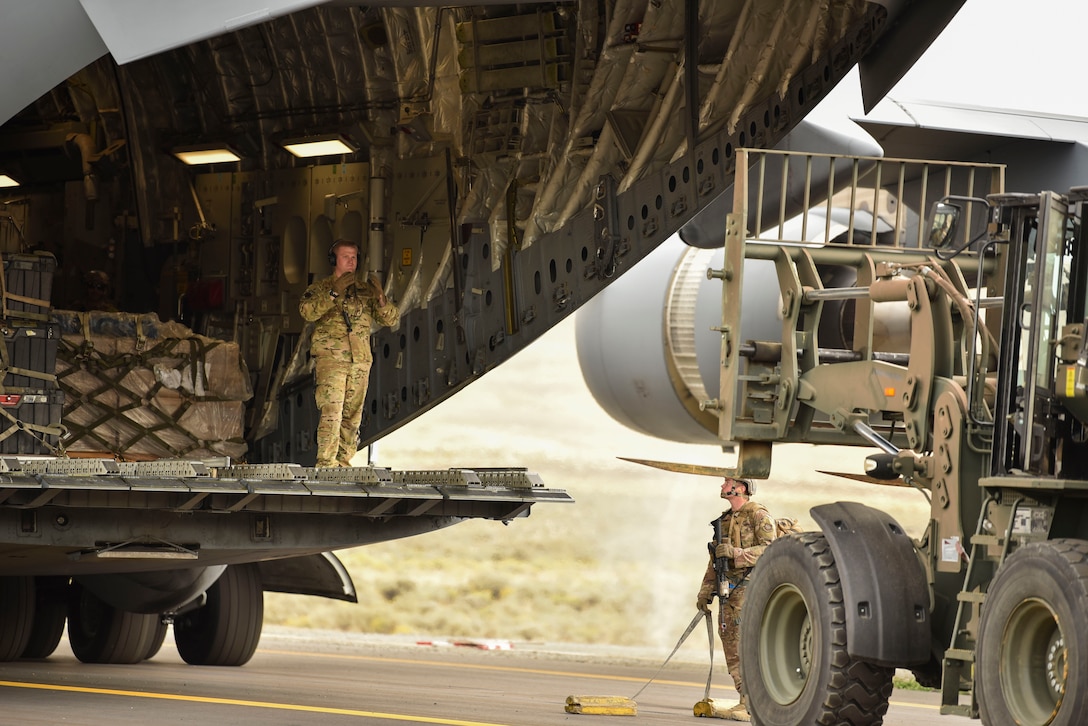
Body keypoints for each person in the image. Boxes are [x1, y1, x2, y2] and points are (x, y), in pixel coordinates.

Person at [299, 239, 399, 468]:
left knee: (352, 416)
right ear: (334, 260)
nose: (351, 261)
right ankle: (326, 463)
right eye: (345, 256)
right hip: (332, 361)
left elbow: (391, 319)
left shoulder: (366, 291)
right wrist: (333, 293)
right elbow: (307, 312)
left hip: (360, 362)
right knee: (332, 410)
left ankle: (342, 463)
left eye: (354, 257)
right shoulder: (320, 289)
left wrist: (382, 299)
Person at [696, 477, 777, 722]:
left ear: (740, 488)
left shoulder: (759, 515)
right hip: (727, 591)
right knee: (731, 644)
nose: (722, 486)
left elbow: (772, 548)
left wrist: (737, 553)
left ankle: (752, 702)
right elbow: (715, 562)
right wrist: (705, 591)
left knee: (745, 644)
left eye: (727, 482)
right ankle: (745, 699)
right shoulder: (724, 521)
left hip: (750, 589)